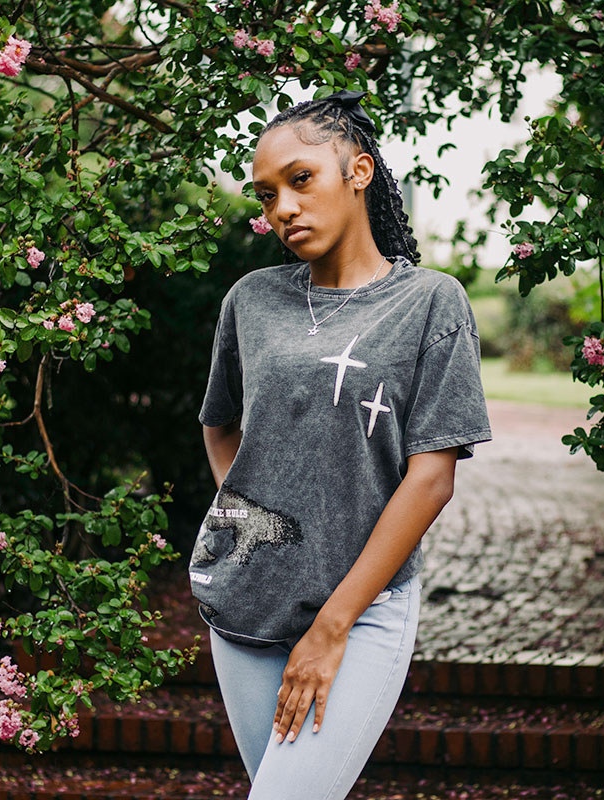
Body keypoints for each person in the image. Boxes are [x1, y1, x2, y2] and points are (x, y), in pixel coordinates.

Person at [191, 88, 492, 800]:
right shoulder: (251, 300)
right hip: (243, 602)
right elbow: (218, 423)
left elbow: (432, 479)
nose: (283, 209)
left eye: (301, 180)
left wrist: (332, 627)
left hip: (363, 611)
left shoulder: (430, 302)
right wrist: (248, 523)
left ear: (358, 172)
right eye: (267, 196)